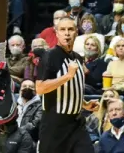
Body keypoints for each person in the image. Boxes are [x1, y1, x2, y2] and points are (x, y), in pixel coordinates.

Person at [36, 16, 93, 153]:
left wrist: (84, 104)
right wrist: (66, 76)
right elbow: (40, 88)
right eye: (62, 29)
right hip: (55, 124)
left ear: (76, 33)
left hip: (76, 123)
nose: (67, 33)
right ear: (57, 33)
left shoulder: (78, 58)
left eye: (70, 29)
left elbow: (71, 88)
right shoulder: (49, 56)